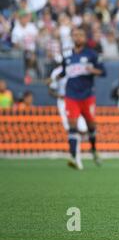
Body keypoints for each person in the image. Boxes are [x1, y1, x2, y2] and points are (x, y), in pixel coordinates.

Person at [59, 28, 106, 170]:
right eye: (75, 35)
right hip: (71, 95)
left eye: (80, 35)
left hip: (87, 96)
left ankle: (93, 148)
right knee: (72, 125)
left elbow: (103, 71)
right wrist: (54, 78)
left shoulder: (92, 54)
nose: (77, 37)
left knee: (91, 126)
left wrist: (93, 71)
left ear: (85, 38)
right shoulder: (67, 56)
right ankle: (73, 156)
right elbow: (63, 72)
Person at [48, 60, 88, 135]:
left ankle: (78, 143)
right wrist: (60, 96)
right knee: (69, 128)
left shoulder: (77, 69)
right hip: (63, 102)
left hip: (76, 100)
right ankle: (74, 144)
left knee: (83, 128)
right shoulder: (57, 72)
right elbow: (51, 91)